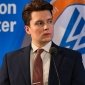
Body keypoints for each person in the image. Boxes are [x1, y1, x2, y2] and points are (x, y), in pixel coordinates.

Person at [0, 0, 85, 85]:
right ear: (27, 29)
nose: (46, 27)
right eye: (40, 23)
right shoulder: (11, 60)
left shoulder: (72, 58)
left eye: (50, 21)